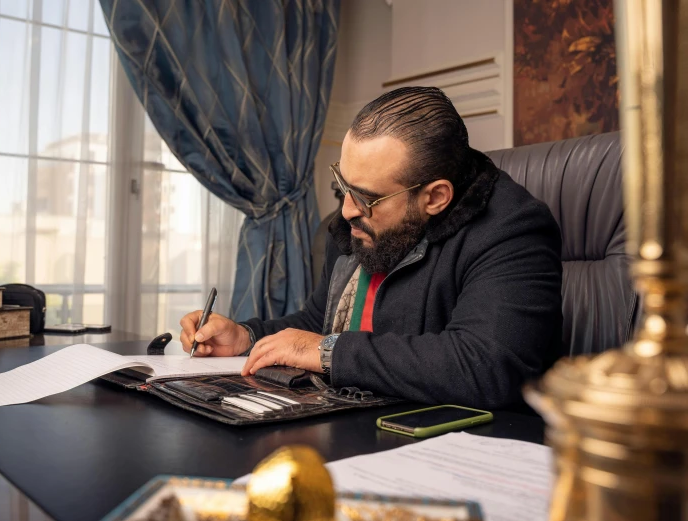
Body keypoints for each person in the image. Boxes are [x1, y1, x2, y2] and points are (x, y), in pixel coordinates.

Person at [179, 87, 563, 408]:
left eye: (366, 197)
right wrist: (246, 337)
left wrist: (332, 353)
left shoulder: (512, 229)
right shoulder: (360, 223)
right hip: (354, 419)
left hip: (453, 448)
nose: (346, 210)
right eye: (342, 185)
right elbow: (319, 325)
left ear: (435, 197)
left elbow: (485, 366)